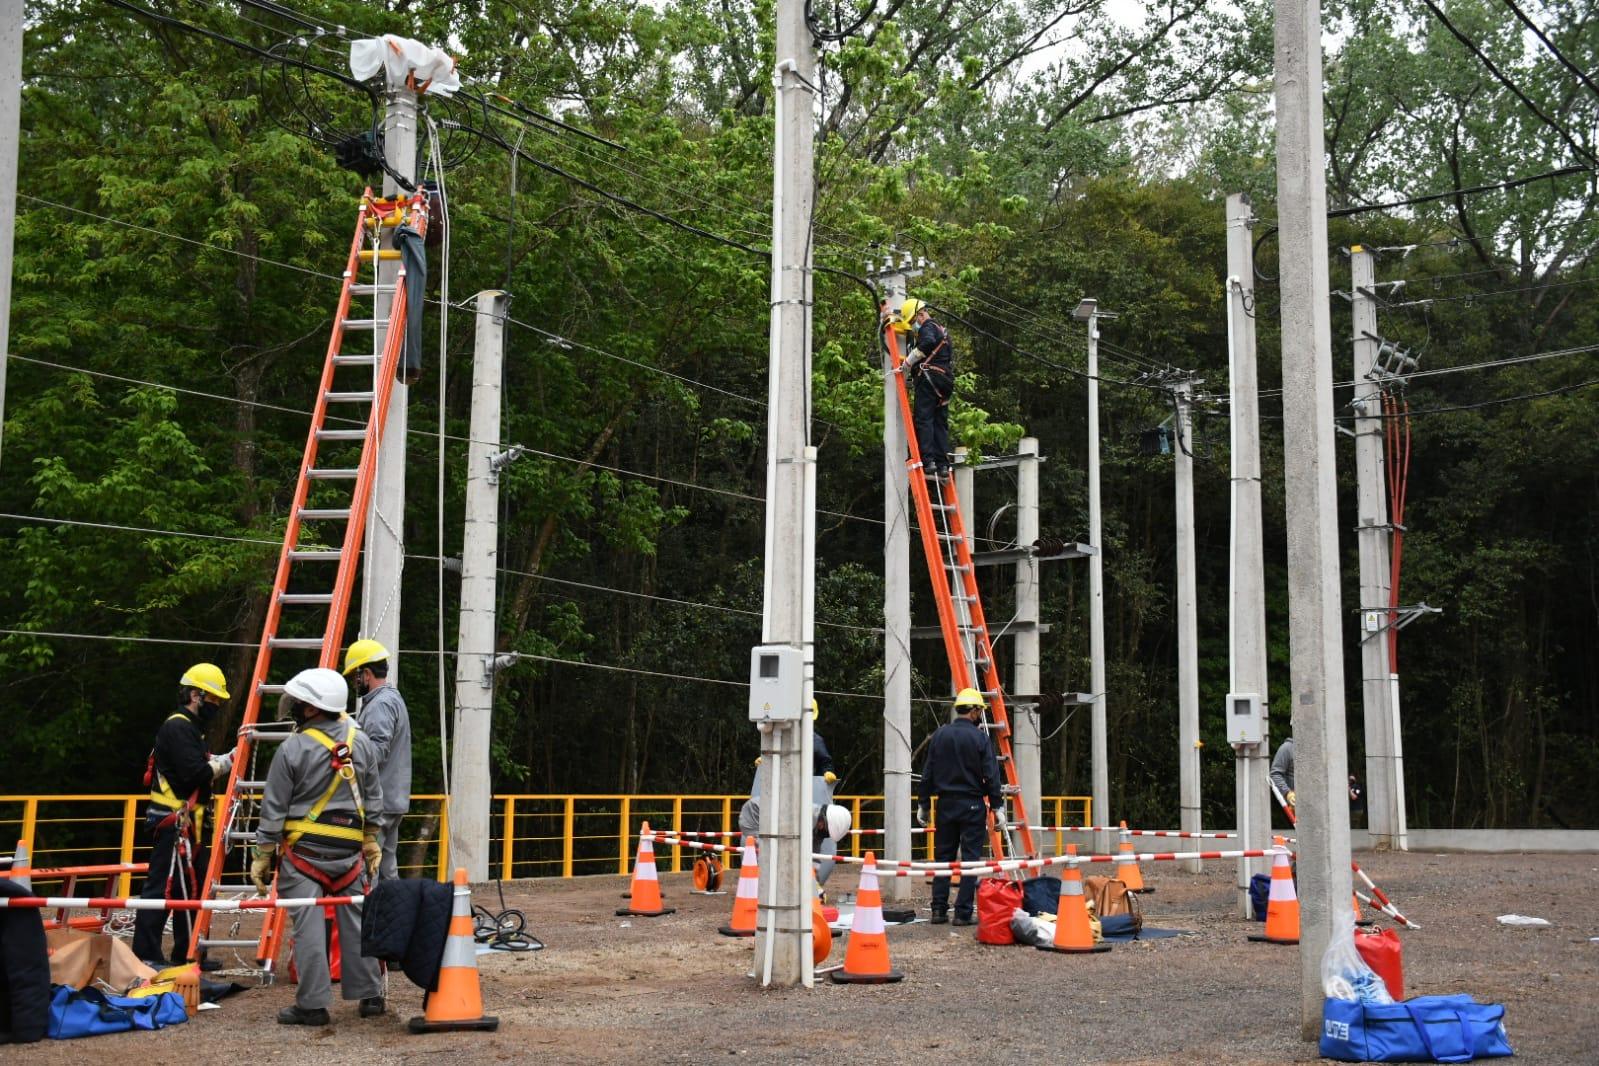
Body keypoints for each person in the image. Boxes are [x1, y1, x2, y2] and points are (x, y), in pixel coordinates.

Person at [252, 667, 385, 1026]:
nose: (293, 708)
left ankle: (312, 1006)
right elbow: (374, 798)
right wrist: (371, 839)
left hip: (303, 854)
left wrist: (263, 854)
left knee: (308, 925)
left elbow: (274, 807)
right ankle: (371, 996)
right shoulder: (362, 742)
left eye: (298, 703)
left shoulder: (292, 749)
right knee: (357, 922)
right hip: (350, 853)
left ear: (311, 709)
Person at [132, 663, 234, 968]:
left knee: (190, 890)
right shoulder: (177, 726)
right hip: (173, 822)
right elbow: (196, 773)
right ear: (195, 695)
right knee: (160, 888)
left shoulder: (190, 729)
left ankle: (187, 955)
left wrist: (223, 758)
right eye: (213, 700)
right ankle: (146, 955)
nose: (216, 706)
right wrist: (229, 761)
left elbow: (197, 763)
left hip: (190, 824)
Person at [917, 687, 1004, 925]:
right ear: (975, 711)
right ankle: (963, 913)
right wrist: (998, 806)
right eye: (980, 711)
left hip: (945, 805)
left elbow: (928, 774)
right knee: (970, 860)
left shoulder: (940, 735)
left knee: (943, 859)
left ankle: (938, 910)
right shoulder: (980, 739)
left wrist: (923, 804)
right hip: (972, 805)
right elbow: (991, 776)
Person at [737, 700, 844, 884]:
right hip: (779, 793)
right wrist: (765, 761)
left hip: (804, 791)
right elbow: (773, 756)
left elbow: (826, 760)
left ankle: (805, 882)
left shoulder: (815, 741)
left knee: (807, 840)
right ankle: (767, 880)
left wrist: (827, 772)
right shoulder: (779, 737)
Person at [343, 639, 411, 880]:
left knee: (364, 871)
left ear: (367, 674)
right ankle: (393, 917)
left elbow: (377, 750)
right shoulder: (392, 699)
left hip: (378, 803)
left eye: (355, 675)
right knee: (386, 870)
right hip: (392, 800)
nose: (354, 682)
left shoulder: (380, 705)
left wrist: (345, 751)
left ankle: (361, 917)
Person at [897, 298, 955, 479]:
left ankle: (928, 461)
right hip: (945, 382)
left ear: (920, 315)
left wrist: (908, 362)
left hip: (930, 379)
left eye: (914, 322)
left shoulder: (928, 327)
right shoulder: (943, 331)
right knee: (940, 422)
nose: (915, 327)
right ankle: (943, 465)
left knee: (924, 419)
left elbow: (927, 343)